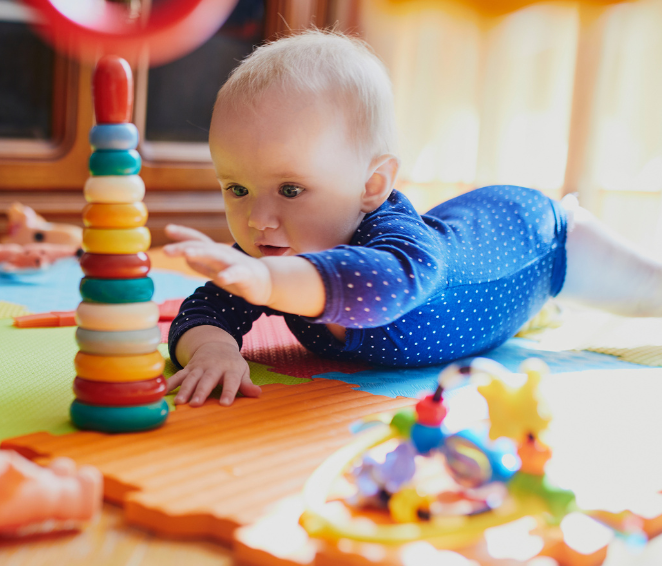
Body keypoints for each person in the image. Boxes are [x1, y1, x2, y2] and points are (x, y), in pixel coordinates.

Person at [163, 30, 662, 408]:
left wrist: (267, 282)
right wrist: (213, 350)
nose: (258, 218)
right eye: (237, 188)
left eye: (290, 189)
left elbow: (381, 287)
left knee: (649, 292)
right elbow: (201, 313)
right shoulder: (269, 258)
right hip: (462, 235)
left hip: (538, 237)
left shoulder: (397, 250)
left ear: (372, 186)